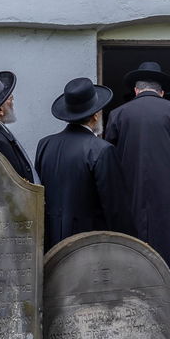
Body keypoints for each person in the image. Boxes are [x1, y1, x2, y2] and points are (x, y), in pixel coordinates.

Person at [104, 61, 170, 312]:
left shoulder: (118, 114)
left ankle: (136, 302)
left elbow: (108, 155)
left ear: (136, 90)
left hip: (131, 191)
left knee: (134, 244)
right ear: (162, 91)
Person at [34, 77, 131, 250]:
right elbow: (116, 209)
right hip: (88, 246)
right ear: (96, 115)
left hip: (50, 243)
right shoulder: (102, 149)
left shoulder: (45, 144)